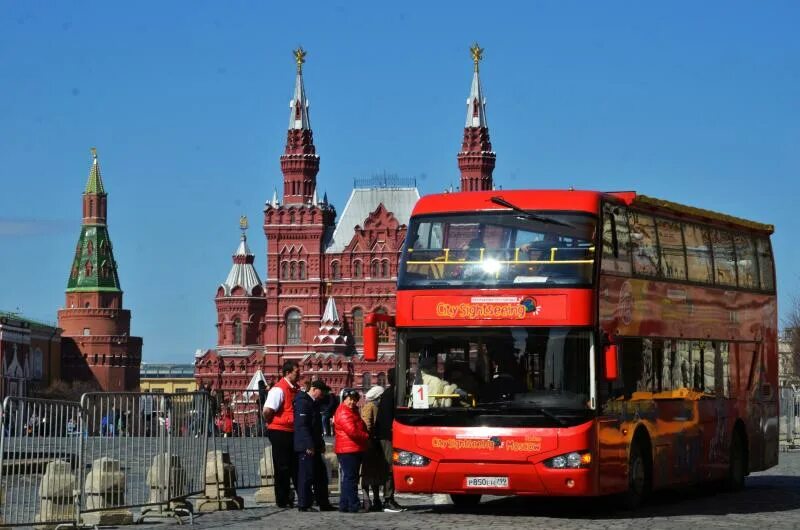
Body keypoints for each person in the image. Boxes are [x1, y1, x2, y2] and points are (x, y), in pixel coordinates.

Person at [263, 360, 301, 508]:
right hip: (280, 431)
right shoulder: (279, 389)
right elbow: (267, 411)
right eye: (296, 372)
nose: (299, 374)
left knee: (292, 465)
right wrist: (272, 423)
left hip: (291, 431)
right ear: (287, 373)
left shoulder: (295, 388)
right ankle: (282, 499)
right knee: (282, 466)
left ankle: (290, 496)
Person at [294, 379, 336, 512]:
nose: (323, 395)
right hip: (307, 446)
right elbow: (302, 426)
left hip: (315, 445)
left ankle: (323, 502)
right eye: (322, 392)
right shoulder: (303, 402)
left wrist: (321, 443)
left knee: (320, 475)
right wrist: (309, 445)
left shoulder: (312, 403)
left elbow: (316, 427)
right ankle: (304, 504)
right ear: (314, 389)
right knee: (306, 476)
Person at [333, 388, 370, 513]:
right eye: (350, 399)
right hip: (348, 449)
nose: (352, 402)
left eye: (354, 400)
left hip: (351, 448)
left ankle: (344, 505)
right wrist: (366, 436)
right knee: (351, 478)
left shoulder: (351, 410)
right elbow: (352, 431)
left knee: (348, 478)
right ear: (345, 399)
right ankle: (354, 505)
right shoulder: (344, 412)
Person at [374, 368, 404, 512]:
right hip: (387, 437)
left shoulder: (391, 393)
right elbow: (386, 421)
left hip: (389, 436)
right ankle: (388, 499)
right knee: (389, 468)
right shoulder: (390, 394)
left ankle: (389, 498)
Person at [360, 385, 385, 511]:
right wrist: (369, 438)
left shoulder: (374, 406)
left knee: (372, 473)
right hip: (370, 444)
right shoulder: (370, 406)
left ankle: (373, 499)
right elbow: (366, 424)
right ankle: (368, 499)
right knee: (368, 473)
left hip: (373, 444)